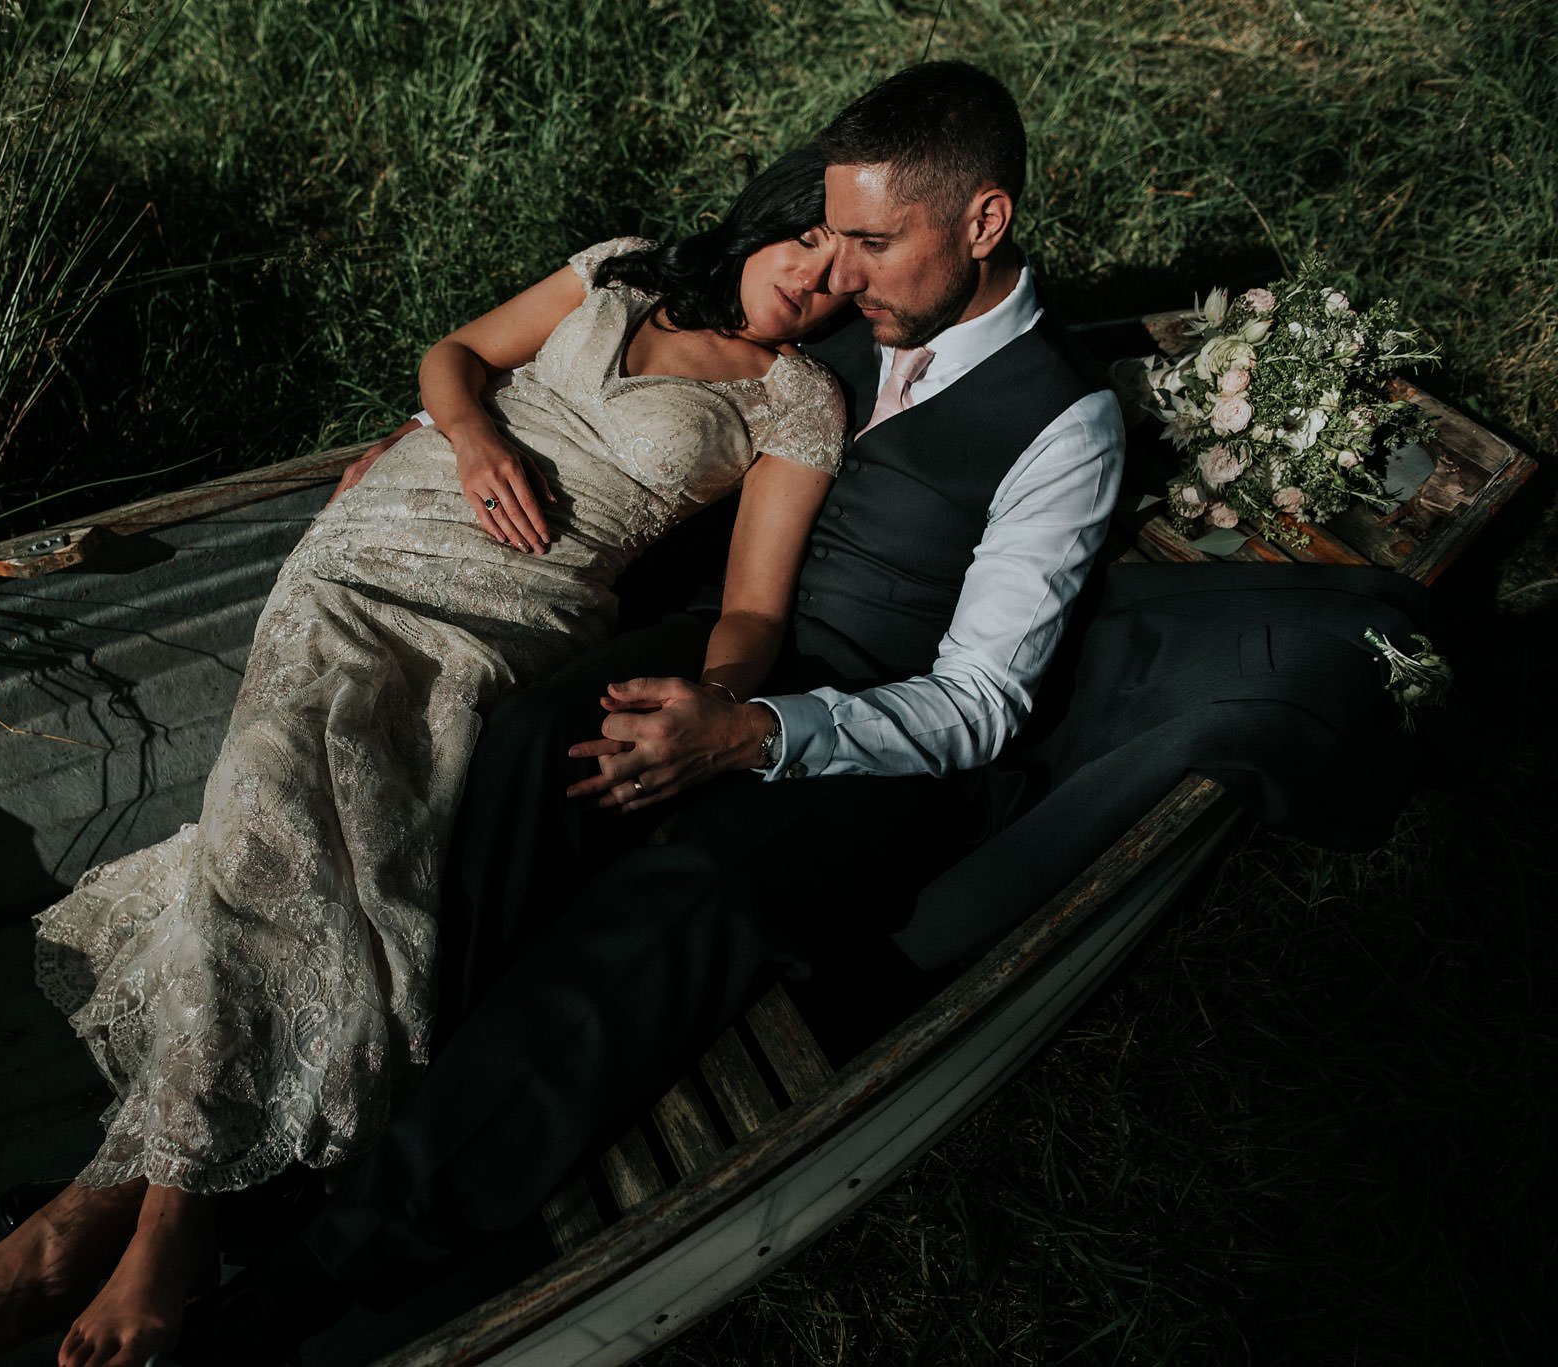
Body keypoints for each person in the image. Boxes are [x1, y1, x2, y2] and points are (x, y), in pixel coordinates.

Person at [0, 148, 852, 1367]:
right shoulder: (622, 268)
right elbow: (454, 355)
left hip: (505, 611)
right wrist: (467, 436)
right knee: (283, 806)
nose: (816, 280)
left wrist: (715, 702)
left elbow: (752, 607)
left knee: (281, 830)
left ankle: (99, 1220)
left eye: (849, 270)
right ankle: (155, 1230)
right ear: (767, 215)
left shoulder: (793, 400)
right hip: (364, 549)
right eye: (808, 241)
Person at [185, 58, 1129, 1357]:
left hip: (879, 734)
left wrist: (756, 732)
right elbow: (632, 380)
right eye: (832, 237)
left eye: (872, 242)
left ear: (983, 220)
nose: (840, 271)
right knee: (533, 745)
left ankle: (335, 1260)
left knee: (680, 901)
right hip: (742, 638)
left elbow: (979, 703)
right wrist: (426, 435)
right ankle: (349, 1112)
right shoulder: (837, 308)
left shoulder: (1062, 424)